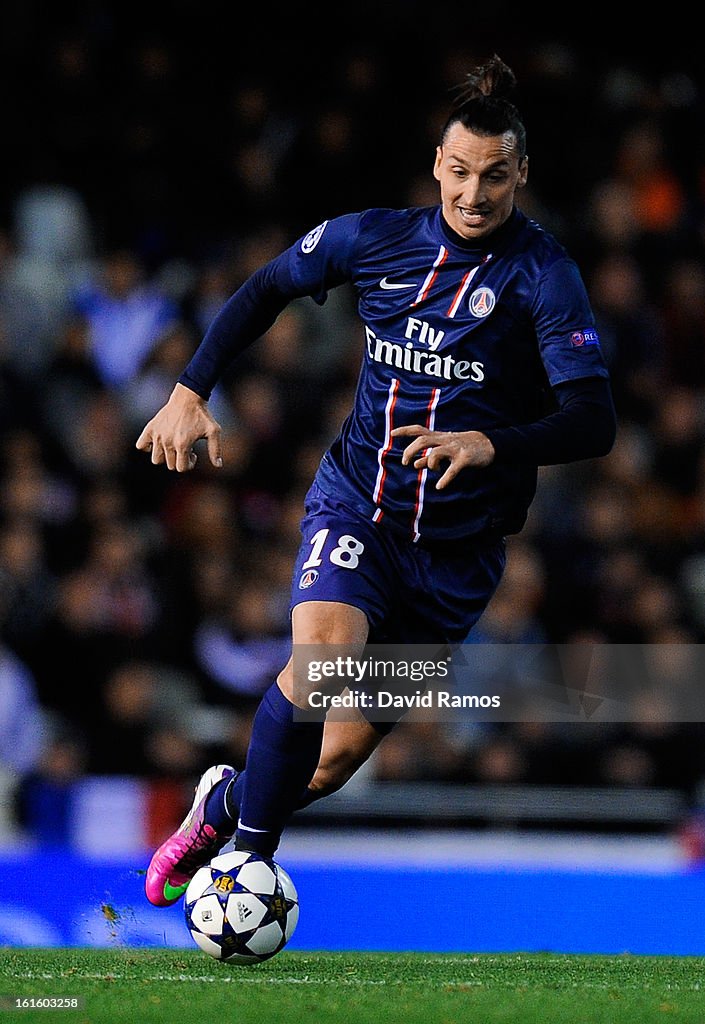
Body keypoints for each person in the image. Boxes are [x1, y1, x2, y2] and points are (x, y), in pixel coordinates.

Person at [137, 55, 616, 907]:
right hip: (359, 502)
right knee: (320, 662)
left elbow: (592, 420)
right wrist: (188, 391)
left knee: (334, 758)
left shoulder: (543, 278)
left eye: (495, 177)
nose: (474, 194)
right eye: (460, 173)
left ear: (521, 176)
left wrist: (492, 444)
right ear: (438, 164)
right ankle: (251, 858)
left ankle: (224, 807)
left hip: (458, 557)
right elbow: (265, 286)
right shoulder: (372, 239)